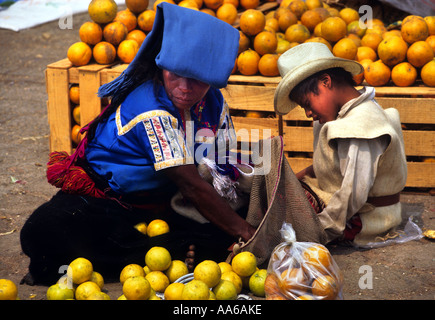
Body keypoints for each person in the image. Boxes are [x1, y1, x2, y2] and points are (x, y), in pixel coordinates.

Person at [20, 3, 255, 285]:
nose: (184, 87)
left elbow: (220, 166)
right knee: (45, 229)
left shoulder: (214, 104)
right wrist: (246, 232)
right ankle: (174, 249)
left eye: (197, 80)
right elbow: (191, 185)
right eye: (175, 73)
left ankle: (171, 248)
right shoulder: (149, 107)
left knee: (235, 210)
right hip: (110, 197)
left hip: (170, 199)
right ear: (161, 65)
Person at [274, 42, 407, 246]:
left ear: (325, 82)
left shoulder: (360, 126)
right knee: (277, 194)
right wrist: (290, 180)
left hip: (365, 218)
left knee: (282, 214)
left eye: (307, 104)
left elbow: (352, 196)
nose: (308, 113)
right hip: (347, 201)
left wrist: (317, 231)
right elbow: (327, 166)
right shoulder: (341, 115)